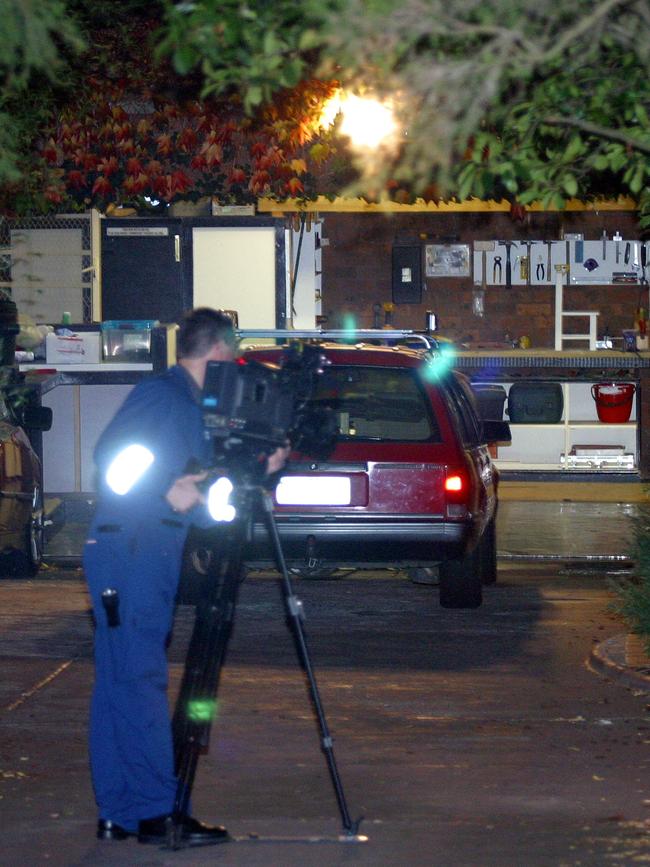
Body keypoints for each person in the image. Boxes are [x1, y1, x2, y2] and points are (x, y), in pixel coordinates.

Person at [84, 308, 288, 846]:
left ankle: (119, 812)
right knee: (140, 681)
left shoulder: (192, 410)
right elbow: (111, 460)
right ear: (220, 353)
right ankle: (158, 813)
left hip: (136, 549)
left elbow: (197, 497)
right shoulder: (165, 397)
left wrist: (250, 478)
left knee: (119, 684)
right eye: (236, 356)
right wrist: (162, 489)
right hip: (130, 551)